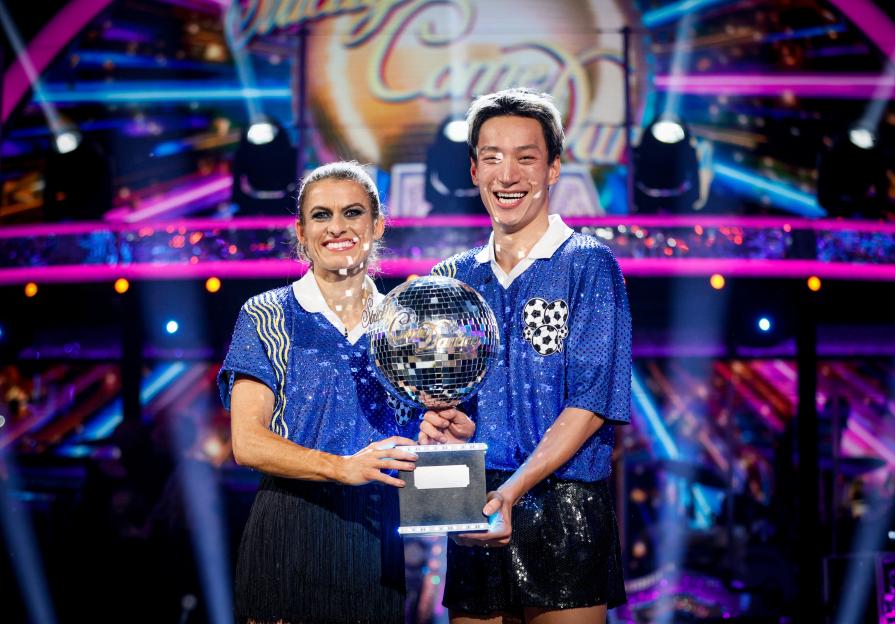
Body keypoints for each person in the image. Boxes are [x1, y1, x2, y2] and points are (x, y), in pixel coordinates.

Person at [219, 161, 473, 624]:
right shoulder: (265, 315)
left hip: (375, 542)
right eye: (321, 215)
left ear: (376, 225)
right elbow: (247, 442)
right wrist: (343, 468)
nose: (337, 227)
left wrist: (442, 436)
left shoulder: (403, 324)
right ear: (300, 231)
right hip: (287, 537)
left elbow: (416, 445)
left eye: (352, 212)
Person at [421, 88, 632, 623]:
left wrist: (514, 491)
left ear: (554, 168)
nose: (507, 175)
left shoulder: (589, 264)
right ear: (473, 170)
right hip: (479, 505)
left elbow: (592, 401)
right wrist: (444, 424)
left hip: (566, 509)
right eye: (491, 157)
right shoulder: (452, 278)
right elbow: (446, 403)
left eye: (526, 157)